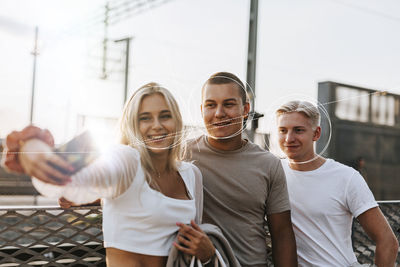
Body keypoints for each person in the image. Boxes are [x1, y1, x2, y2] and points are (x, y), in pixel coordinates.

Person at [4, 83, 215, 267]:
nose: (157, 125)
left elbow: (195, 237)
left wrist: (208, 254)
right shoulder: (125, 160)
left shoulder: (191, 174)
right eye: (145, 118)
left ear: (177, 121)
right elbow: (67, 182)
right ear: (133, 124)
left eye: (165, 116)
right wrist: (31, 151)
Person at [182, 72, 298, 267]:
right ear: (202, 110)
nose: (219, 113)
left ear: (245, 109)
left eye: (228, 104)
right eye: (211, 105)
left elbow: (282, 233)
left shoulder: (268, 164)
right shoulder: (182, 155)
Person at [275, 100, 399, 267]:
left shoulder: (345, 177)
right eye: (283, 130)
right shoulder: (272, 173)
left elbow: (387, 241)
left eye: (298, 130)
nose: (289, 138)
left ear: (316, 133)